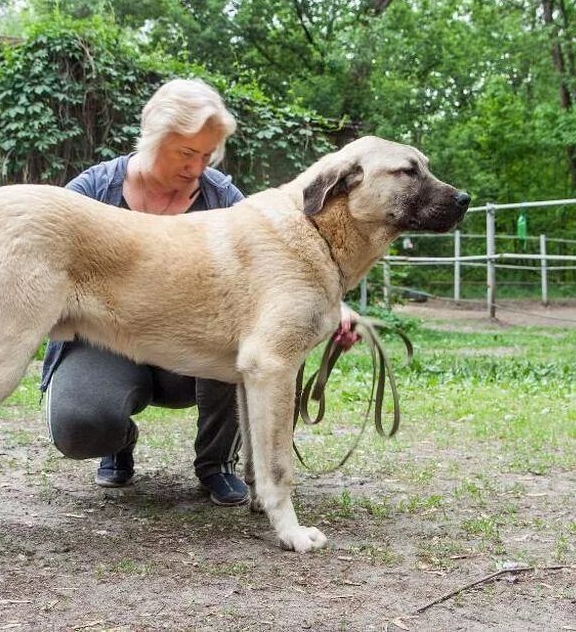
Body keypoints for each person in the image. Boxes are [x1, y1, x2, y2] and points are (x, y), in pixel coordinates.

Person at [39, 78, 358, 506]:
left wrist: (339, 307)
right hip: (108, 340)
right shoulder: (91, 191)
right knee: (81, 426)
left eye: (207, 155)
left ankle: (215, 463)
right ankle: (118, 440)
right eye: (186, 153)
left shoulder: (221, 195)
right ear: (151, 138)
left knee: (250, 339)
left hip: (191, 348)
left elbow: (277, 271)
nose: (196, 167)